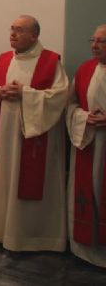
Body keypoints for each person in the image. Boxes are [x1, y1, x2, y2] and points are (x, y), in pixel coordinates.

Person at [0, 15, 68, 251]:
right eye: (12, 29)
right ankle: (2, 231)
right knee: (7, 177)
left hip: (34, 136)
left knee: (28, 180)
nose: (13, 34)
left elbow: (59, 96)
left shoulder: (51, 61)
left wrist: (25, 94)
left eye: (19, 30)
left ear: (34, 35)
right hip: (6, 133)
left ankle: (34, 236)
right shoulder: (3, 59)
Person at [66, 24, 106, 267]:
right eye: (93, 40)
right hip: (88, 141)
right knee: (88, 191)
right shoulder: (84, 70)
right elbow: (70, 106)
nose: (94, 46)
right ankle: (84, 248)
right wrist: (83, 117)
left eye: (101, 41)